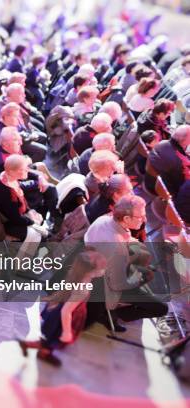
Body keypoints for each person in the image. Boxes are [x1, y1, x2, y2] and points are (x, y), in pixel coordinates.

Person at [85, 195, 168, 328]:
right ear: (126, 218)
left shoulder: (104, 219)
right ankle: (118, 313)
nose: (145, 219)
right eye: (140, 217)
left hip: (93, 269)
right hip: (106, 286)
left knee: (146, 266)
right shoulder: (117, 247)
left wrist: (129, 241)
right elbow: (118, 285)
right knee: (161, 308)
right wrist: (137, 277)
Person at [18, 249, 107, 366]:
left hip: (58, 313)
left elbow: (61, 295)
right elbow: (66, 311)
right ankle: (37, 349)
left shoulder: (76, 277)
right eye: (102, 269)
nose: (104, 271)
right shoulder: (82, 289)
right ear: (91, 271)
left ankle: (38, 348)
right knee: (53, 338)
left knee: (49, 337)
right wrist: (67, 332)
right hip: (62, 319)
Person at [0, 154, 49, 241]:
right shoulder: (7, 193)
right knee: (39, 235)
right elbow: (16, 218)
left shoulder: (5, 175)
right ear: (12, 172)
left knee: (39, 220)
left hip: (12, 215)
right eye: (23, 169)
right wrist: (32, 221)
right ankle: (26, 254)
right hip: (6, 222)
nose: (28, 170)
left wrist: (29, 210)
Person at [148, 125, 190, 196]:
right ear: (185, 141)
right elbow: (181, 186)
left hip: (149, 181)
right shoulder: (179, 162)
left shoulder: (162, 143)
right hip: (163, 192)